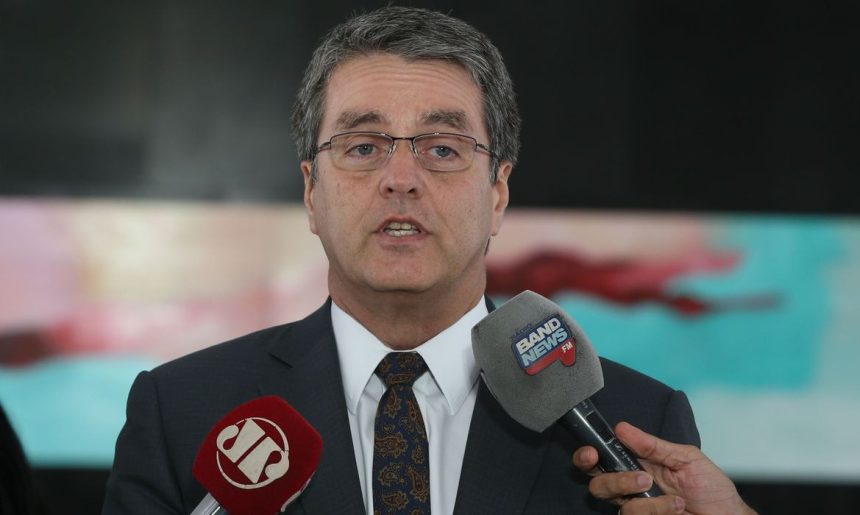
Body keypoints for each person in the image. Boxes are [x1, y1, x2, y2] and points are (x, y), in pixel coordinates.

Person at [103, 6, 756, 514]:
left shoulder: (633, 425)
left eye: (442, 149)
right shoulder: (182, 412)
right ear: (311, 192)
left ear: (497, 193)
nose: (401, 179)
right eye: (363, 147)